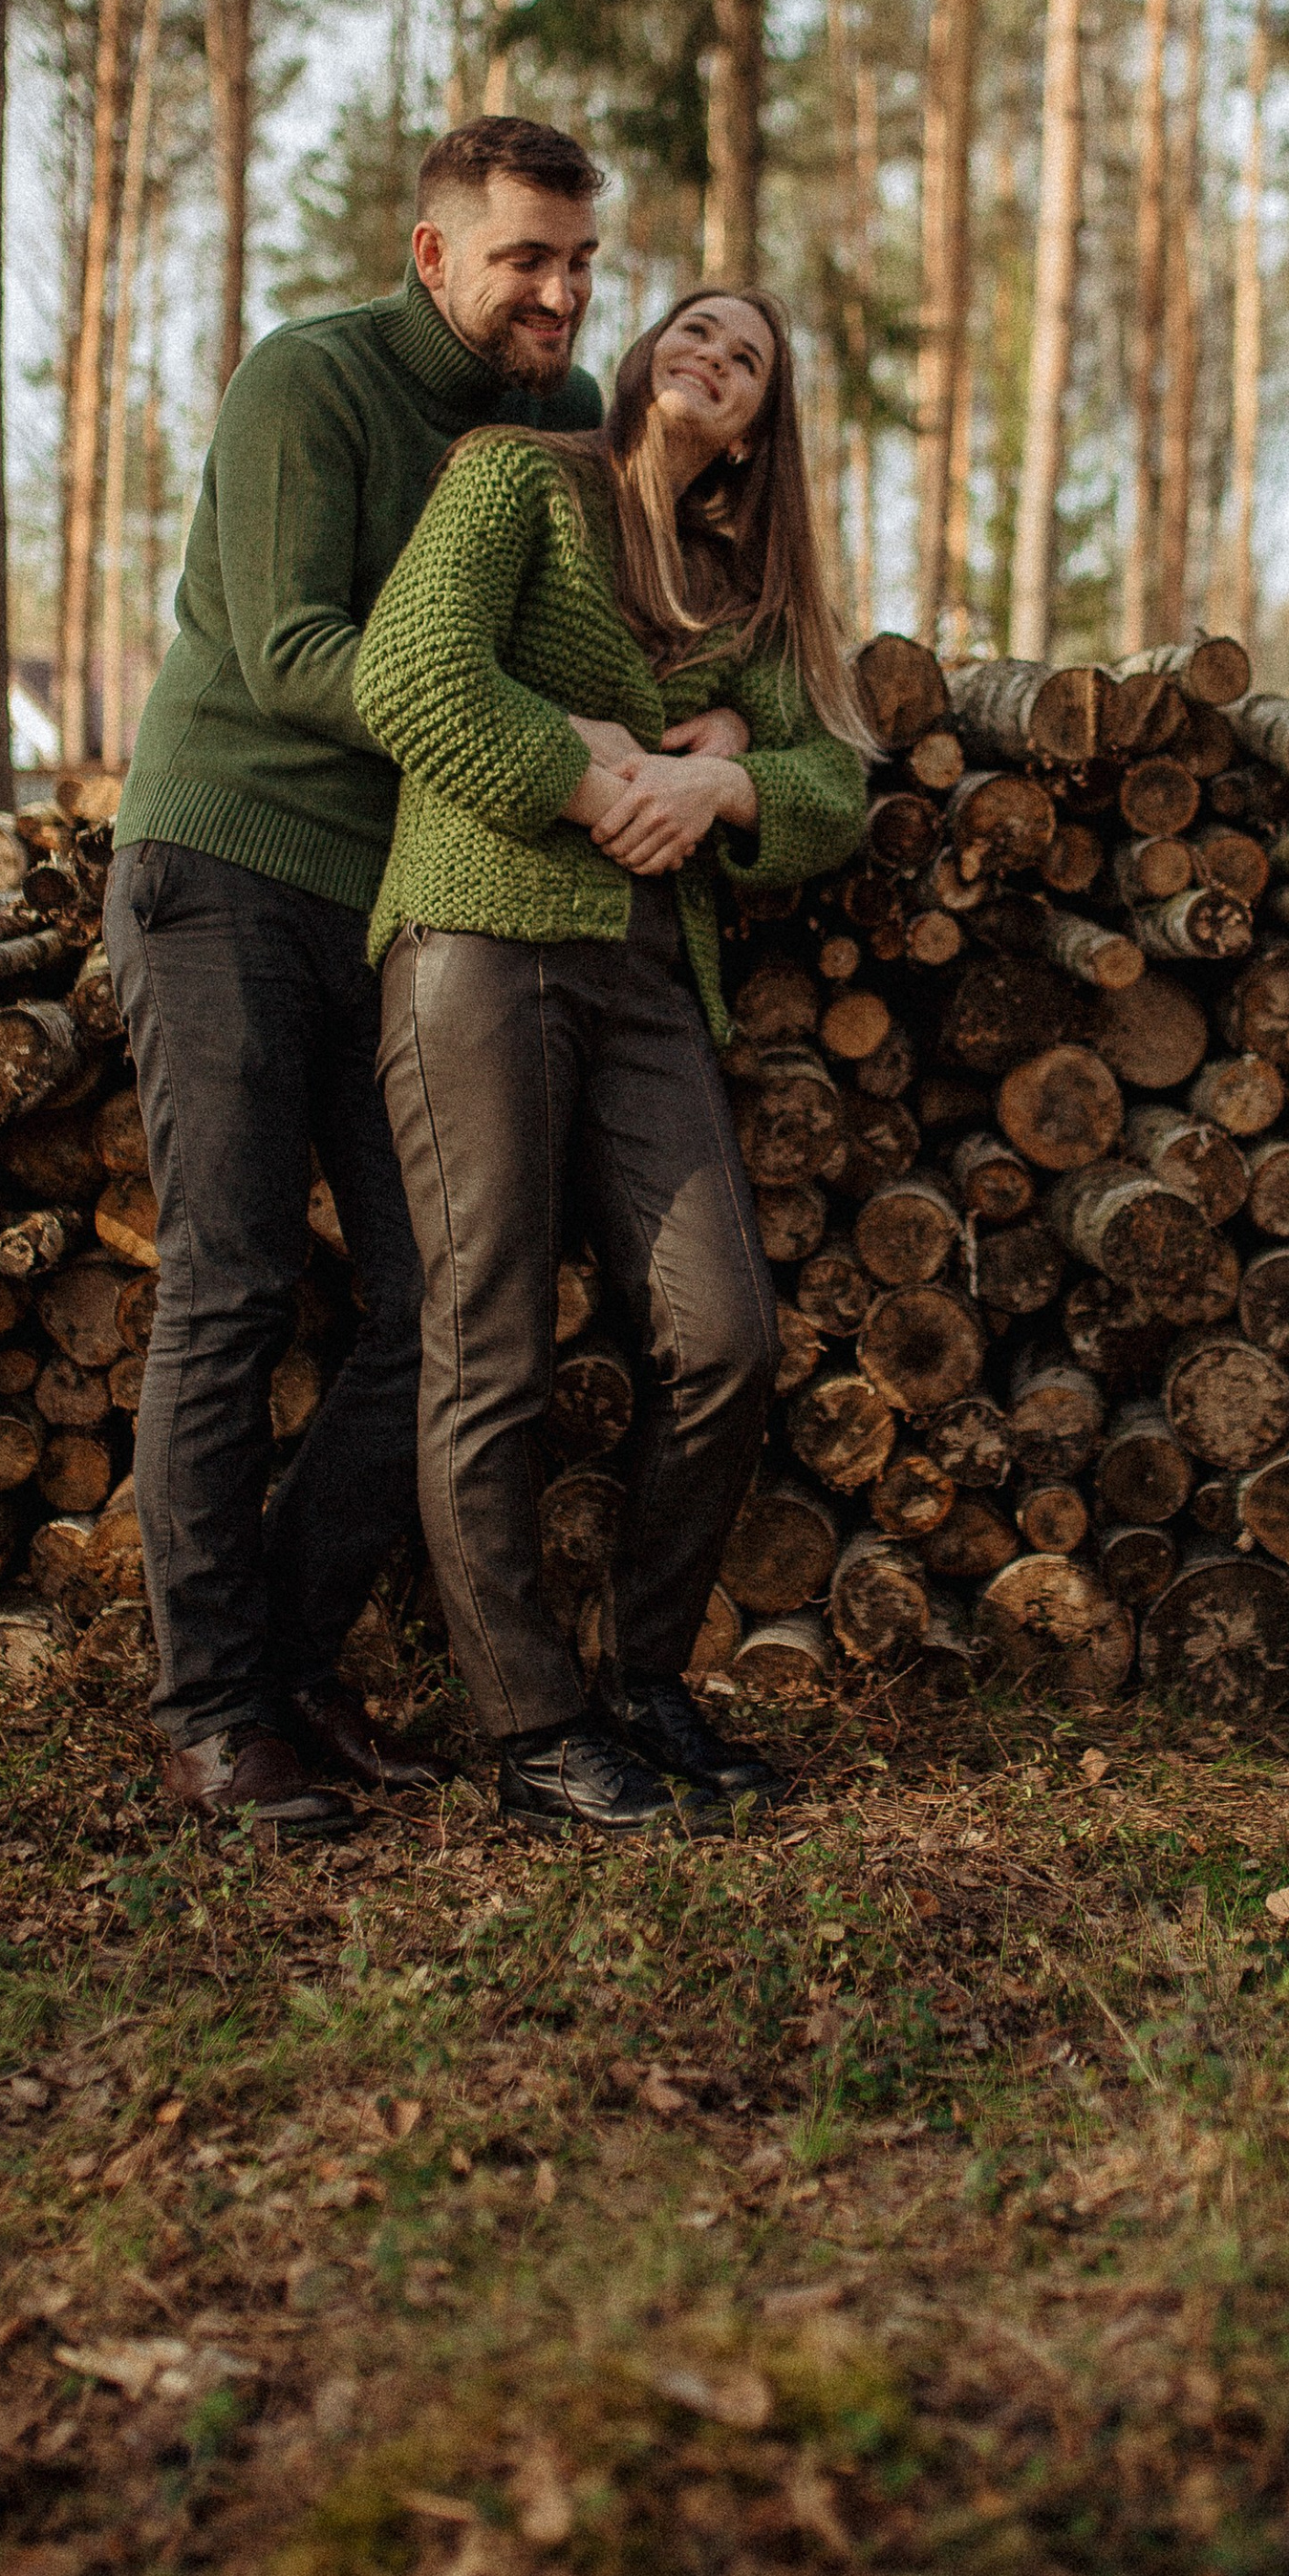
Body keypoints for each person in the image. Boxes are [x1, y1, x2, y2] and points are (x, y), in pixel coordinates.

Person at [105, 115, 608, 1842]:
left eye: (580, 258)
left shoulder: (569, 422)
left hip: (404, 903)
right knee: (234, 1283)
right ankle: (208, 1710)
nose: (559, 289)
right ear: (435, 254)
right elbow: (291, 649)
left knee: (435, 1305)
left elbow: (594, 627)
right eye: (527, 255)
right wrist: (554, 748)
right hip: (229, 865)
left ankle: (300, 1668)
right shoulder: (307, 385)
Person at [353, 285, 870, 1839]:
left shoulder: (739, 586)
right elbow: (411, 674)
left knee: (725, 1337)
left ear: (756, 430)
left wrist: (722, 794)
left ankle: (646, 1679)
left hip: (654, 976)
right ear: (648, 358)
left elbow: (835, 779)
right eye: (697, 328)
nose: (714, 354)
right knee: (488, 1330)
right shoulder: (524, 478)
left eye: (752, 359)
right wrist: (610, 780)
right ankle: (528, 1721)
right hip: (477, 931)